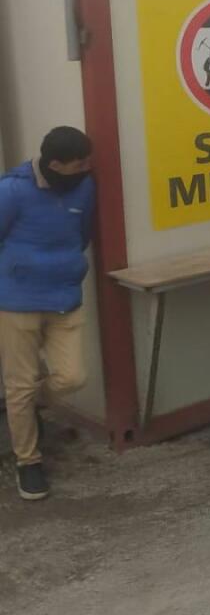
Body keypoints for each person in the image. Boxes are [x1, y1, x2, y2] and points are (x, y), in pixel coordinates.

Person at [0, 126, 95, 500]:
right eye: (79, 164)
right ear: (55, 165)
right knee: (19, 384)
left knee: (72, 377)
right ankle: (28, 462)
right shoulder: (12, 190)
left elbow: (82, 234)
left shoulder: (85, 187)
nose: (87, 168)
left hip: (64, 297)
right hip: (17, 301)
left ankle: (25, 405)